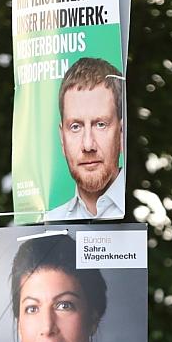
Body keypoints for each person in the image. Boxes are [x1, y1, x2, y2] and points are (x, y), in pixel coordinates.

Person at [46, 57, 126, 221]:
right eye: (75, 127)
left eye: (100, 124)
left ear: (121, 132)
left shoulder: (147, 213)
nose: (88, 145)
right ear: (62, 138)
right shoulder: (49, 223)